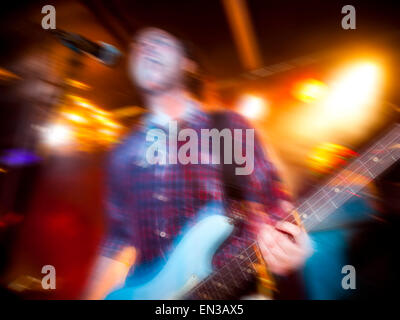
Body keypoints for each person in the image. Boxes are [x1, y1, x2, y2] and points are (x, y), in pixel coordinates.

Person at [83, 27, 311, 300]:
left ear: (186, 63)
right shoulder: (122, 155)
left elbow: (275, 205)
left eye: (160, 42)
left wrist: (290, 250)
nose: (147, 47)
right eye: (139, 46)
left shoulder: (228, 129)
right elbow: (117, 244)